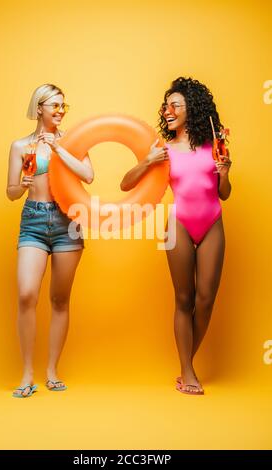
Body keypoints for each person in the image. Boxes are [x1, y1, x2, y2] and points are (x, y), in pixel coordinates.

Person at [120, 77, 232, 395]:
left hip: (212, 222)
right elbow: (125, 185)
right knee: (184, 299)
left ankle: (187, 363)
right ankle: (188, 371)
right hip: (178, 224)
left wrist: (224, 172)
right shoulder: (164, 150)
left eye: (175, 105)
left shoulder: (216, 144)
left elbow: (224, 194)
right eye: (166, 105)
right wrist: (147, 161)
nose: (168, 110)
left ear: (192, 109)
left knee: (206, 300)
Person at [6, 84, 94, 397]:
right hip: (33, 220)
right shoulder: (20, 146)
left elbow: (87, 175)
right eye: (54, 105)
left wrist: (58, 149)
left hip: (68, 222)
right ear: (39, 108)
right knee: (27, 294)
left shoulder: (75, 140)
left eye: (62, 106)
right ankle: (27, 373)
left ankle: (52, 371)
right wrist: (22, 184)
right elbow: (11, 193)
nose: (59, 111)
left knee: (59, 299)